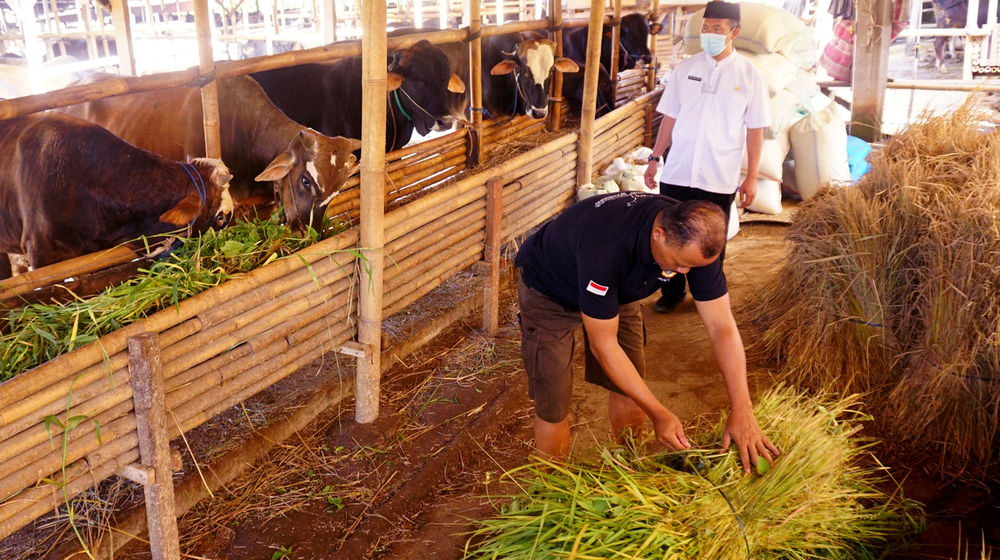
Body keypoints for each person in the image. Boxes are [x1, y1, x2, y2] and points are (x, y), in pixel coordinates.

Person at [514, 192, 779, 472]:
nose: (683, 272)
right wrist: (659, 414)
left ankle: (630, 466)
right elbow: (603, 346)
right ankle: (551, 492)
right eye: (677, 264)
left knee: (629, 382)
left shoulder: (697, 241)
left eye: (691, 267)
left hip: (620, 288)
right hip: (551, 291)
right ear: (659, 234)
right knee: (553, 400)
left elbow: (721, 326)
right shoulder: (607, 245)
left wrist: (742, 408)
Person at [643, 0, 770, 314]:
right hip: (678, 172)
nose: (709, 34)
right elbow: (669, 118)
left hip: (719, 175)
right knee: (670, 233)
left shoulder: (751, 75)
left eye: (717, 29)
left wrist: (751, 177)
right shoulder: (685, 70)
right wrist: (655, 158)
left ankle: (706, 294)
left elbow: (755, 131)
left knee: (711, 238)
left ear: (734, 33)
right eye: (705, 27)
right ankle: (671, 293)